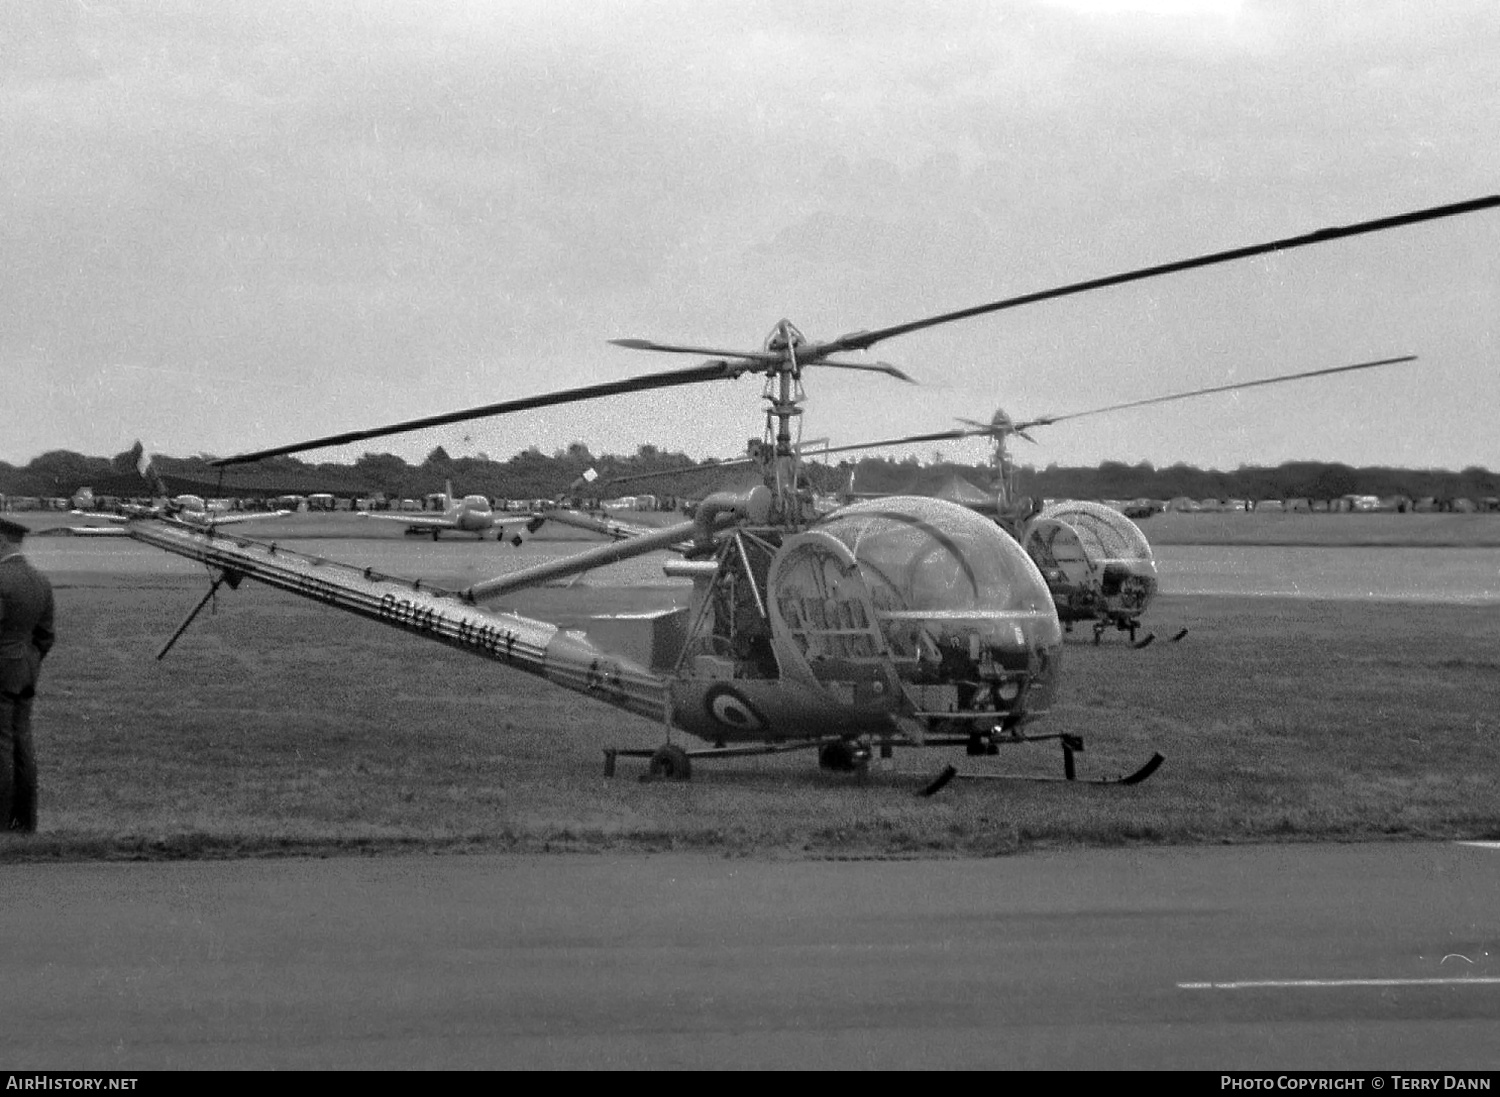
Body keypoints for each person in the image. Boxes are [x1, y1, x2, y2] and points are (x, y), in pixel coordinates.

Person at [0, 517, 55, 833]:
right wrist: (29, 661)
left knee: (2, 746)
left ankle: (2, 820)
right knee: (23, 742)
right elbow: (45, 635)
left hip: (2, 671)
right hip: (26, 671)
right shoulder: (39, 580)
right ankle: (26, 820)